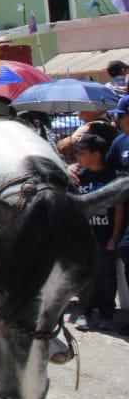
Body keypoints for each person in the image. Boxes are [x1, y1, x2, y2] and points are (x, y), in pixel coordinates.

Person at [72, 134, 122, 331]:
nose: (78, 156)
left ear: (96, 154)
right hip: (84, 237)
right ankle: (84, 312)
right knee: (84, 276)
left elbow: (119, 209)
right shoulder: (78, 176)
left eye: (81, 153)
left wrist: (114, 237)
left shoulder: (112, 177)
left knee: (106, 275)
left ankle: (106, 313)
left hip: (105, 236)